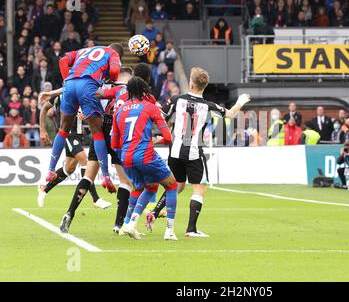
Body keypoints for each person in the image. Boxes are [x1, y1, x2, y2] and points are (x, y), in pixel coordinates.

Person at [148, 67, 251, 237]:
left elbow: (160, 117)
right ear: (204, 86)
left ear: (191, 83)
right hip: (194, 152)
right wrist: (240, 101)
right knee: (199, 188)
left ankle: (154, 211)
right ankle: (191, 229)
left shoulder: (176, 99)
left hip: (175, 151)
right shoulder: (208, 106)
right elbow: (231, 114)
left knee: (176, 185)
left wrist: (157, 128)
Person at [56, 67, 135, 234]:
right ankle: (118, 225)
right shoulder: (126, 90)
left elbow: (89, 97)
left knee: (88, 176)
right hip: (117, 134)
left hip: (99, 132)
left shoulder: (101, 86)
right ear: (129, 77)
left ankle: (69, 213)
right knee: (125, 181)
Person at [45, 43, 123, 193]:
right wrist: (110, 78)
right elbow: (114, 70)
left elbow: (63, 61)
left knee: (63, 130)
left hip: (69, 85)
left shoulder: (83, 50)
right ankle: (105, 176)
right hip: (88, 85)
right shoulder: (112, 53)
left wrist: (66, 80)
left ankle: (50, 170)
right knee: (97, 131)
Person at [111, 76, 178, 241]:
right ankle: (169, 231)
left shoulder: (119, 110)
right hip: (145, 154)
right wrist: (157, 140)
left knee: (148, 187)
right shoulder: (150, 107)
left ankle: (130, 224)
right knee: (172, 185)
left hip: (125, 157)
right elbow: (168, 137)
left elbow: (114, 143)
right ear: (143, 91)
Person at [37, 94, 109, 209]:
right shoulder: (59, 96)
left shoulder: (83, 94)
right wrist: (42, 129)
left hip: (78, 135)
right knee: (85, 162)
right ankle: (96, 199)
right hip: (68, 134)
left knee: (69, 168)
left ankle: (44, 189)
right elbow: (44, 109)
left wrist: (86, 115)